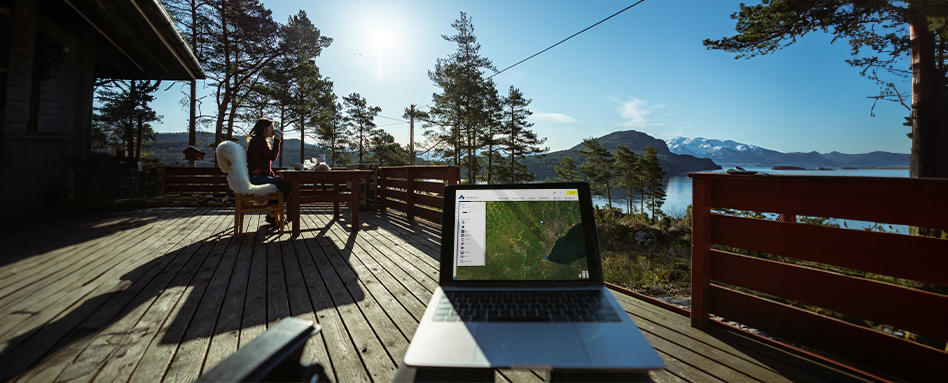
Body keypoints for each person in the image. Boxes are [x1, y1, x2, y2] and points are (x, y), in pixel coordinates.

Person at [246, 117, 291, 226]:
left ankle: (272, 214)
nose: (273, 130)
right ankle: (272, 214)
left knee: (284, 186)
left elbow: (264, 163)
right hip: (257, 178)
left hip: (258, 177)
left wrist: (271, 175)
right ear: (264, 129)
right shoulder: (258, 140)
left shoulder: (259, 141)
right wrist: (277, 139)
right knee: (288, 187)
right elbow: (272, 156)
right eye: (271, 128)